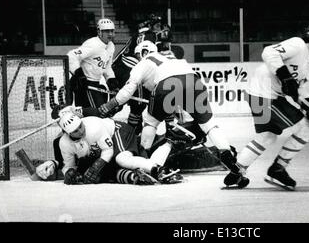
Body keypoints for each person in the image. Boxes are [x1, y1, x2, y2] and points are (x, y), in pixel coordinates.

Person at [98, 40, 247, 186]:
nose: (137, 59)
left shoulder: (143, 62)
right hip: (194, 82)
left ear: (143, 52)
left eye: (137, 56)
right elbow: (181, 96)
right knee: (209, 125)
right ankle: (227, 154)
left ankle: (145, 160)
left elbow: (128, 91)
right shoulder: (173, 58)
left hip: (167, 85)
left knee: (150, 123)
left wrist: (110, 104)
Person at [223, 22, 309, 190]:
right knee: (306, 128)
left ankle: (236, 171)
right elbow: (269, 52)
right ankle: (277, 169)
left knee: (267, 136)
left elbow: (298, 89)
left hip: (262, 94)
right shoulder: (298, 45)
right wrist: (284, 76)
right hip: (264, 94)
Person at [56, 111, 182, 185]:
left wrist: (96, 166)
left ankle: (158, 170)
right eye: (75, 131)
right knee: (109, 172)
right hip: (105, 149)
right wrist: (69, 173)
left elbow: (108, 151)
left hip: (118, 132)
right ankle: (135, 175)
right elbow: (69, 164)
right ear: (68, 133)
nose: (80, 130)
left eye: (80, 125)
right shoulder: (64, 143)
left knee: (122, 159)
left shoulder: (93, 126)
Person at [67, 18, 119, 108]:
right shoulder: (93, 44)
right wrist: (79, 74)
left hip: (95, 84)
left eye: (112, 31)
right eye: (106, 31)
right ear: (99, 32)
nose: (110, 34)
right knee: (96, 113)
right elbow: (71, 56)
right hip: (84, 85)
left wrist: (111, 79)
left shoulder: (111, 46)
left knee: (102, 112)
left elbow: (107, 66)